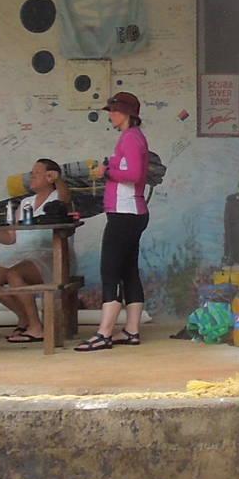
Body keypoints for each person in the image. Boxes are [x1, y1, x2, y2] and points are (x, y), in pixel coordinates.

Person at [77, 91, 150, 350]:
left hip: (125, 213)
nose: (111, 114)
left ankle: (104, 333)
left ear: (127, 113)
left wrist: (105, 171)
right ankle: (131, 330)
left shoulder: (130, 138)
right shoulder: (133, 137)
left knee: (110, 270)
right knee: (128, 271)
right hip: (131, 212)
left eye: (114, 110)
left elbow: (133, 173)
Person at [0, 157, 77, 344]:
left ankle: (36, 328)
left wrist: (58, 180)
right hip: (24, 256)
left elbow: (65, 198)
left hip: (51, 254)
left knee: (15, 275)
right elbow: (10, 238)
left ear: (49, 177)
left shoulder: (58, 197)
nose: (32, 177)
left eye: (37, 173)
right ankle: (24, 317)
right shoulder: (25, 203)